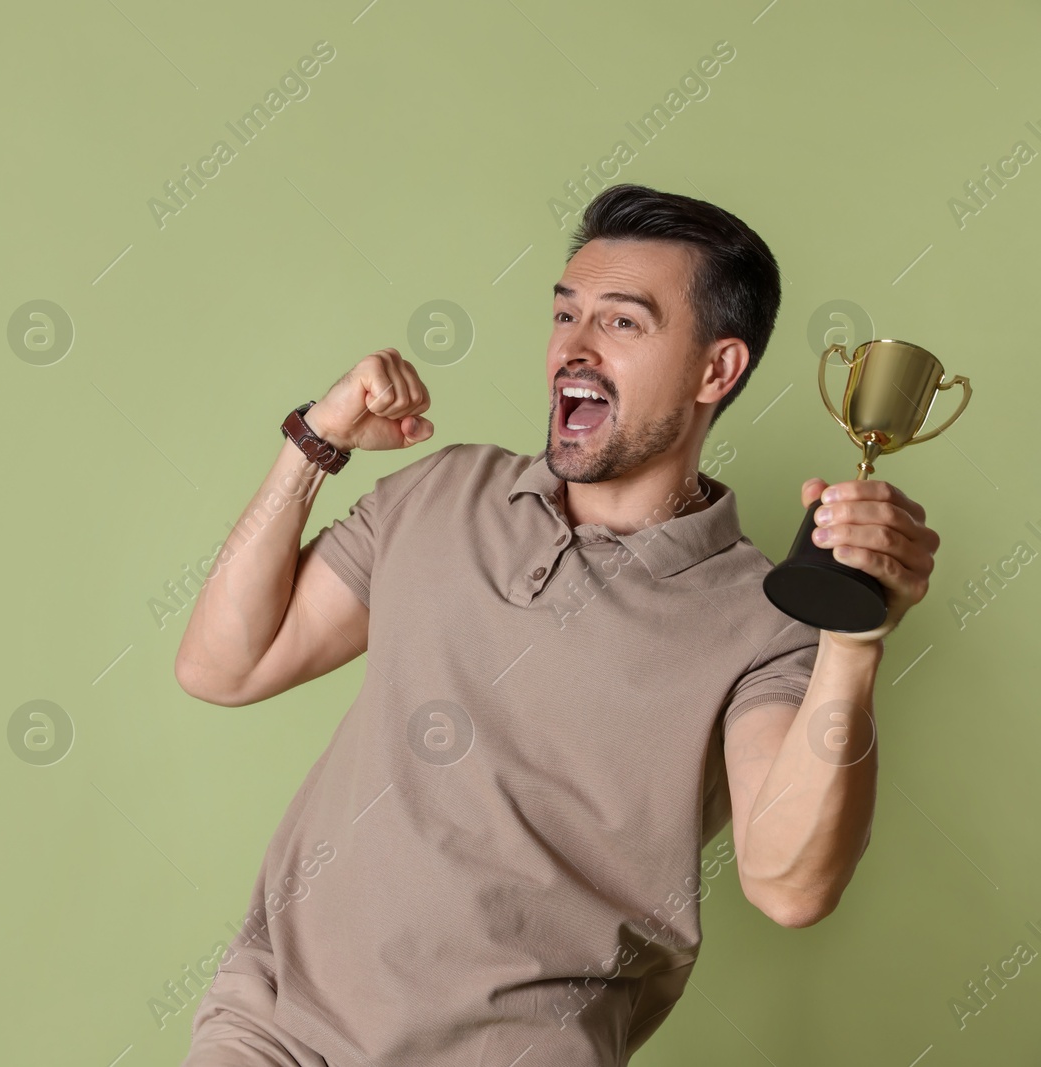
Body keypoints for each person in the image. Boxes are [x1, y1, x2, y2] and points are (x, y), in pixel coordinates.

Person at [172, 183, 941, 1066]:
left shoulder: (760, 624)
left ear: (714, 371)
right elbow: (224, 666)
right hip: (275, 1030)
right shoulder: (444, 490)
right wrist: (314, 441)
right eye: (564, 314)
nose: (572, 349)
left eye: (621, 324)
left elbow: (789, 883)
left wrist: (853, 636)